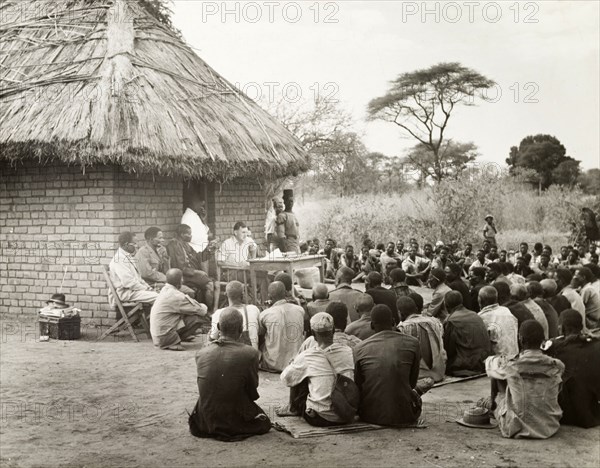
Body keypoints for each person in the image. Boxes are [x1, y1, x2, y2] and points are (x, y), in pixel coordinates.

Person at [189, 308, 271, 441]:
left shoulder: (202, 353)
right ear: (240, 329)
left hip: (205, 421)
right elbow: (252, 391)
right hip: (234, 417)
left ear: (218, 327)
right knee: (264, 422)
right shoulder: (250, 353)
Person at [484, 320, 565, 439]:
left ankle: (492, 405)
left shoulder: (512, 365)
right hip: (548, 426)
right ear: (543, 341)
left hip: (516, 427)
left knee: (499, 376)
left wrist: (498, 359)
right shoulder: (557, 365)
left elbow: (489, 366)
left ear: (521, 340)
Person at [279, 312, 355, 426]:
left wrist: (293, 364)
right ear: (333, 330)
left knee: (298, 373)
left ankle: (293, 409)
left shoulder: (307, 356)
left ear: (313, 335)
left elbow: (286, 379)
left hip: (320, 417)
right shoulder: (348, 351)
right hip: (347, 413)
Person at [354, 305, 423, 426]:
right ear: (393, 321)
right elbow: (412, 382)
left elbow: (358, 385)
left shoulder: (359, 348)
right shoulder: (413, 343)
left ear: (371, 325)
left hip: (370, 415)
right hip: (405, 414)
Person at [542, 309, 600, 428]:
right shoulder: (596, 345)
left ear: (562, 328)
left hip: (561, 413)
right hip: (591, 414)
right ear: (581, 326)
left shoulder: (552, 345)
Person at [150, 269, 208, 351]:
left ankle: (176, 339)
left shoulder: (164, 290)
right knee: (198, 317)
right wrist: (203, 306)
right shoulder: (176, 296)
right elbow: (202, 311)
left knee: (188, 312)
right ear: (181, 280)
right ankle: (172, 342)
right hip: (164, 337)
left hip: (157, 336)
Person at [396, 296, 446, 384]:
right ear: (416, 309)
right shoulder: (436, 322)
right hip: (439, 374)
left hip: (418, 377)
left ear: (400, 313)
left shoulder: (402, 328)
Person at [259, 282, 305, 372]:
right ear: (285, 293)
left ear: (269, 296)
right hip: (296, 362)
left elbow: (260, 334)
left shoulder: (265, 314)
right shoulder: (300, 310)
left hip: (273, 364)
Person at [443, 291, 491, 376]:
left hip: (465, 364)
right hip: (482, 362)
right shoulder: (475, 315)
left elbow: (448, 349)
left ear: (446, 305)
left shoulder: (451, 321)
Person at [166, 224, 214, 309]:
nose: (191, 236)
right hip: (182, 275)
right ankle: (208, 311)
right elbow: (179, 267)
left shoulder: (185, 244)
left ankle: (205, 309)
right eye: (188, 234)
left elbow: (197, 257)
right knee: (209, 285)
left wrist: (209, 250)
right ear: (182, 234)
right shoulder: (175, 245)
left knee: (208, 280)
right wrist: (196, 272)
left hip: (190, 273)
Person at [108, 232, 158, 307]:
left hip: (134, 290)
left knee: (161, 295)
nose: (137, 246)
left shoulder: (128, 256)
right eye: (134, 244)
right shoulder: (119, 259)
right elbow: (128, 282)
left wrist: (148, 288)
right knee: (159, 298)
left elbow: (138, 278)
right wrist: (146, 289)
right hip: (126, 293)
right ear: (126, 245)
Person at [209, 281, 260, 350]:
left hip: (229, 356)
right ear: (243, 294)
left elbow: (213, 338)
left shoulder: (219, 313)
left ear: (226, 294)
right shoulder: (253, 309)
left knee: (211, 336)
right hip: (252, 354)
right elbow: (260, 331)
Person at [477, 286, 518, 357]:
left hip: (497, 362)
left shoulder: (480, 318)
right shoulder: (506, 311)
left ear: (480, 300)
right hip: (514, 356)